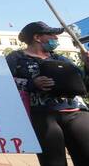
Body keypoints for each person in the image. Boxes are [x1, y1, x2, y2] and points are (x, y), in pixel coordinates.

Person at [7, 21, 89, 165]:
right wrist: (32, 84)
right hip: (42, 116)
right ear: (37, 37)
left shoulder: (61, 58)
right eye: (51, 34)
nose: (56, 38)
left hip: (77, 112)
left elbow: (82, 84)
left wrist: (87, 67)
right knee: (53, 162)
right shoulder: (16, 58)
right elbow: (4, 83)